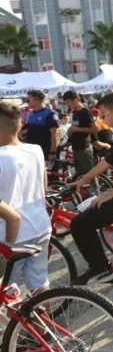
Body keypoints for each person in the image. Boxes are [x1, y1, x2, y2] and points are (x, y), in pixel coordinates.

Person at [69, 93, 113, 285]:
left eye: (103, 114)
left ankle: (101, 269)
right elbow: (107, 162)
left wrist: (109, 195)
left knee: (80, 224)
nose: (101, 119)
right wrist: (82, 180)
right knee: (87, 213)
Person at [0, 102, 50, 293]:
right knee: (40, 283)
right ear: (19, 125)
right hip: (40, 225)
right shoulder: (35, 149)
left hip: (10, 235)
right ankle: (42, 323)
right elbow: (43, 186)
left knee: (8, 292)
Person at [62, 90, 99, 177]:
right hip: (75, 147)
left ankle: (95, 189)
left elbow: (95, 129)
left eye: (68, 102)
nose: (67, 105)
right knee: (79, 174)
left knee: (89, 172)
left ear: (75, 100)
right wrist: (70, 131)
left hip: (84, 146)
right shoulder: (74, 112)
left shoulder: (85, 112)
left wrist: (77, 129)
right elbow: (75, 126)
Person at [22, 89, 60, 163]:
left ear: (37, 100)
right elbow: (29, 129)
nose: (26, 102)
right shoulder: (32, 113)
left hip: (44, 152)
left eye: (28, 100)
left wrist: (52, 152)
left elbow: (55, 135)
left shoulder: (50, 114)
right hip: (32, 151)